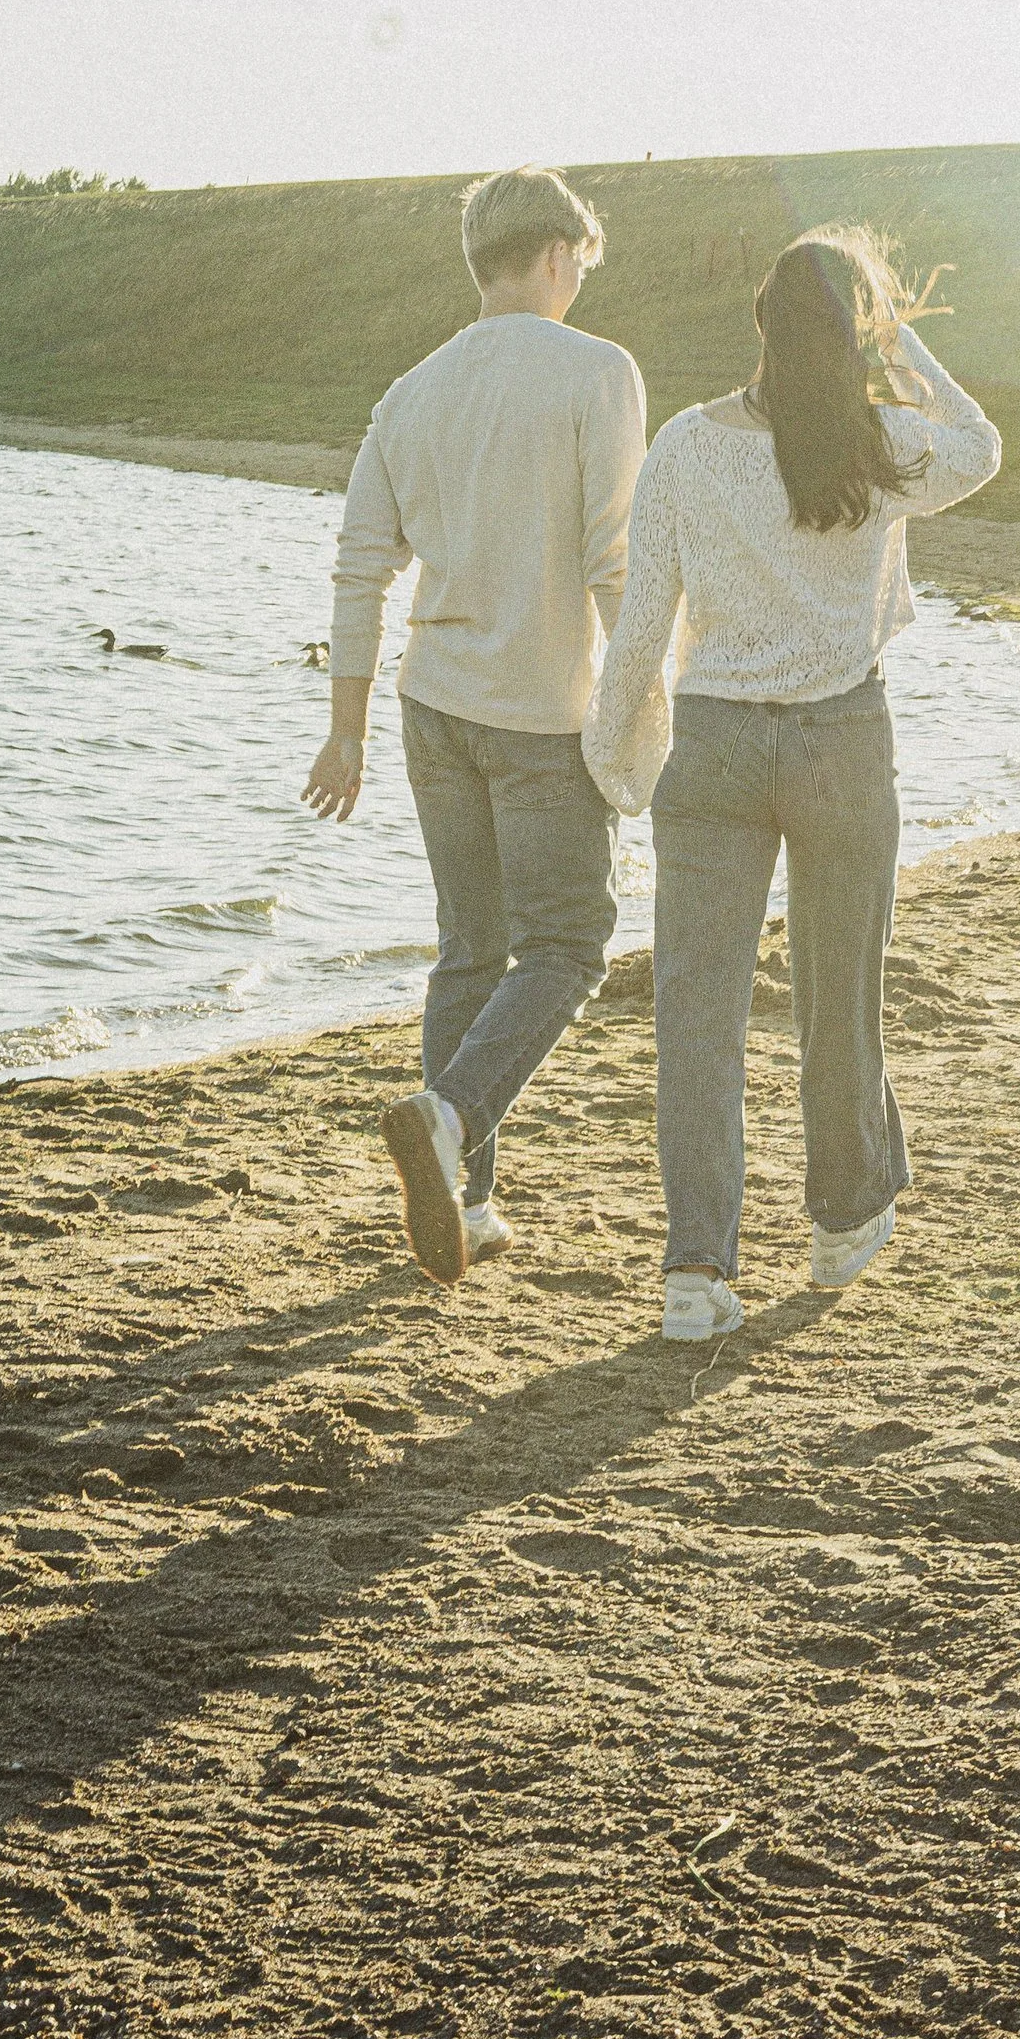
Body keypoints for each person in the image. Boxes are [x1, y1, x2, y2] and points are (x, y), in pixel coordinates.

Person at [584, 229, 1001, 1344]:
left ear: (758, 323)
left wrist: (615, 759)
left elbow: (641, 626)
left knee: (696, 1016)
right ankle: (839, 1220)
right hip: (841, 744)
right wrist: (893, 339)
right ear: (856, 334)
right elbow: (983, 443)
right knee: (836, 994)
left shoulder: (682, 446)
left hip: (711, 750)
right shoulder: (884, 444)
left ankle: (693, 1274)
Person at [304, 166, 646, 1287]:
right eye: (583, 264)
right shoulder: (599, 373)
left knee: (470, 947)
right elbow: (613, 562)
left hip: (429, 708)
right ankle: (448, 1122)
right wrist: (645, 709)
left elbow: (361, 569)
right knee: (566, 946)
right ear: (557, 253)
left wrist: (343, 730)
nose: (582, 281)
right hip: (543, 715)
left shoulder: (412, 390)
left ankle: (471, 1198)